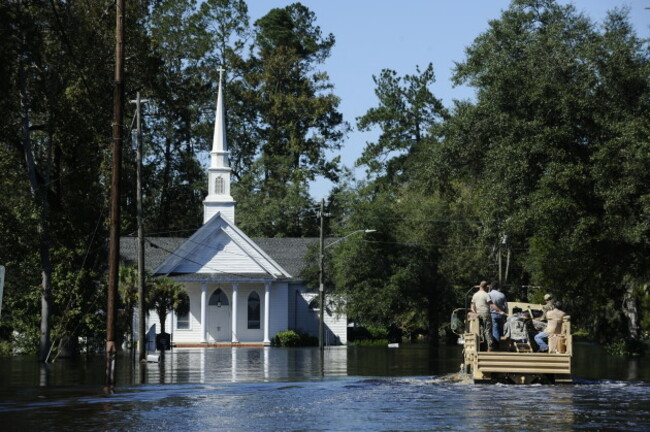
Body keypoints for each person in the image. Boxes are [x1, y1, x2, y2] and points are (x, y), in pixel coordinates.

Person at [471, 281, 494, 351]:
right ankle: (490, 347)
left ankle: (481, 346)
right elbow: (491, 304)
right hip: (485, 313)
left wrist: (475, 312)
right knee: (487, 330)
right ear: (486, 287)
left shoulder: (475, 295)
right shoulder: (486, 295)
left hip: (478, 314)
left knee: (480, 330)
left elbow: (472, 305)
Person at [488, 281, 508, 347]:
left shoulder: (489, 294)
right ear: (498, 287)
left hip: (492, 313)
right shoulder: (502, 295)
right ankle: (502, 343)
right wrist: (505, 313)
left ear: (491, 287)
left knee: (494, 329)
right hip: (501, 314)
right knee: (501, 328)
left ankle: (496, 344)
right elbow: (505, 306)